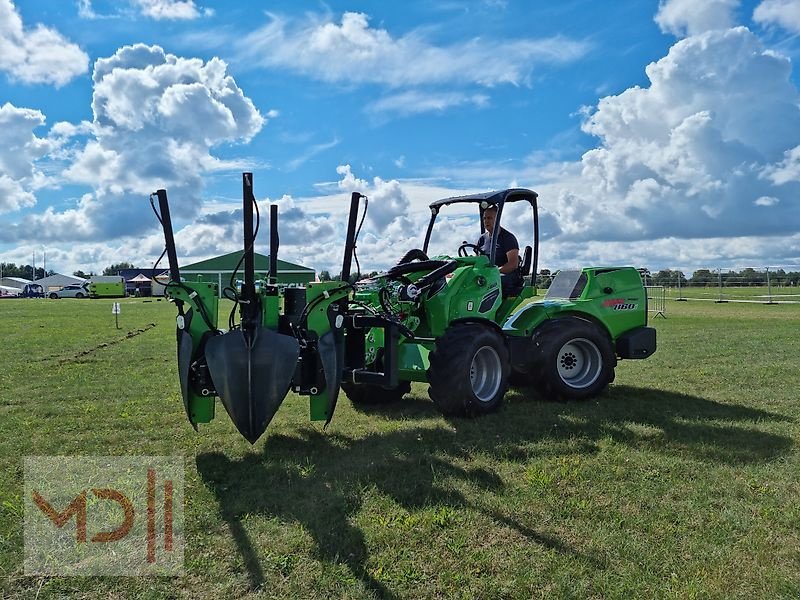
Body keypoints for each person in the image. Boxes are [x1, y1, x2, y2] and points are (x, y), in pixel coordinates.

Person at [476, 205, 521, 295]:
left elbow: (513, 264)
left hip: (505, 275)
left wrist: (495, 271)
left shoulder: (508, 238)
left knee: (489, 282)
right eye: (484, 218)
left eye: (489, 218)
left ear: (497, 219)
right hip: (487, 274)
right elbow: (478, 259)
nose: (486, 221)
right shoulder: (482, 239)